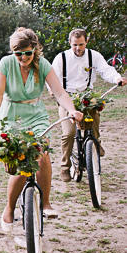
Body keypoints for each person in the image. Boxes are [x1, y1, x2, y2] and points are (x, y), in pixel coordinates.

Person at [0, 27, 83, 233]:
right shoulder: (6, 63)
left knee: (42, 153)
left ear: (34, 50)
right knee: (21, 161)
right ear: (13, 52)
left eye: (27, 52)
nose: (23, 57)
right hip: (11, 116)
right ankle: (9, 209)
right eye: (18, 53)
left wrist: (72, 110)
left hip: (36, 115)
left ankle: (46, 203)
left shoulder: (42, 65)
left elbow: (59, 92)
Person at [51, 28, 126, 182]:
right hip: (67, 96)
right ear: (70, 43)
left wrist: (117, 78)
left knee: (94, 120)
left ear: (86, 42)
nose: (78, 48)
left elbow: (106, 70)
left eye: (81, 44)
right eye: (74, 45)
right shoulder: (61, 58)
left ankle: (96, 144)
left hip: (87, 94)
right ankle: (65, 166)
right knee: (69, 133)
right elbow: (52, 77)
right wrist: (53, 91)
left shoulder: (94, 55)